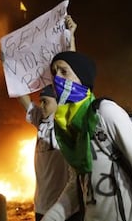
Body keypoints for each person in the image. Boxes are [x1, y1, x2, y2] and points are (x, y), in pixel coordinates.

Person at [42, 51, 132, 221]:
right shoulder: (68, 130)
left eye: (64, 72)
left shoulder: (105, 112)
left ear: (82, 78)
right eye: (54, 73)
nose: (57, 79)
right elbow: (77, 185)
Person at [16, 15, 81, 221]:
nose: (41, 106)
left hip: (65, 207)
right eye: (40, 101)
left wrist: (70, 36)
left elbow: (73, 76)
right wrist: (9, 66)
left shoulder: (65, 118)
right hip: (42, 206)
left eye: (45, 102)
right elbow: (20, 95)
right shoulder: (40, 121)